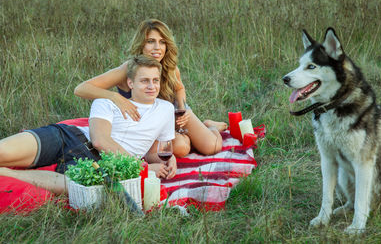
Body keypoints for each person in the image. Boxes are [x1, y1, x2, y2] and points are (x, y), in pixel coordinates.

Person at [0, 55, 176, 194]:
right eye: (145, 80)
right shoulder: (108, 101)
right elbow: (100, 141)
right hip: (69, 136)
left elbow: (154, 150)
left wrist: (168, 160)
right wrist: (142, 167)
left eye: (155, 80)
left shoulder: (166, 109)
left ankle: (7, 173)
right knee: (4, 151)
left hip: (99, 162)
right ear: (130, 83)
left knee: (75, 187)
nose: (152, 86)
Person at [74, 19, 227, 158]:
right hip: (142, 127)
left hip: (173, 114)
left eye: (162, 42)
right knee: (180, 147)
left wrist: (182, 107)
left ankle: (210, 126)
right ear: (141, 44)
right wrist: (115, 97)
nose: (157, 48)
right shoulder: (128, 69)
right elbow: (81, 89)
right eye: (151, 41)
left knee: (211, 147)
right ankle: (188, 138)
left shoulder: (171, 67)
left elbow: (179, 89)